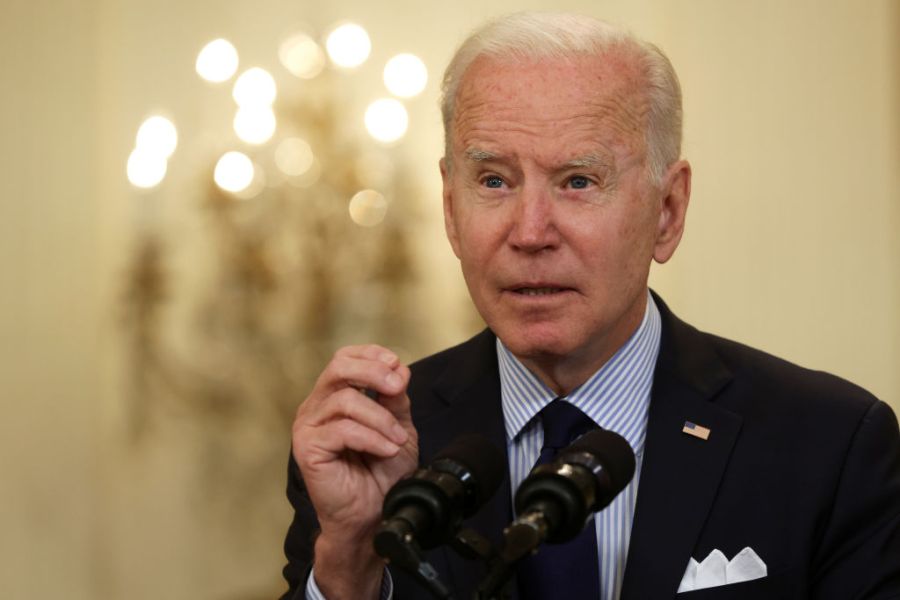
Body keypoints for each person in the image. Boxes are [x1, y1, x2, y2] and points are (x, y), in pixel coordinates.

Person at [281, 12, 900, 600]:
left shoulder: (831, 446)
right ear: (449, 206)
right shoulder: (371, 446)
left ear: (668, 211)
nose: (529, 232)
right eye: (494, 180)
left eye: (578, 181)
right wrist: (350, 561)